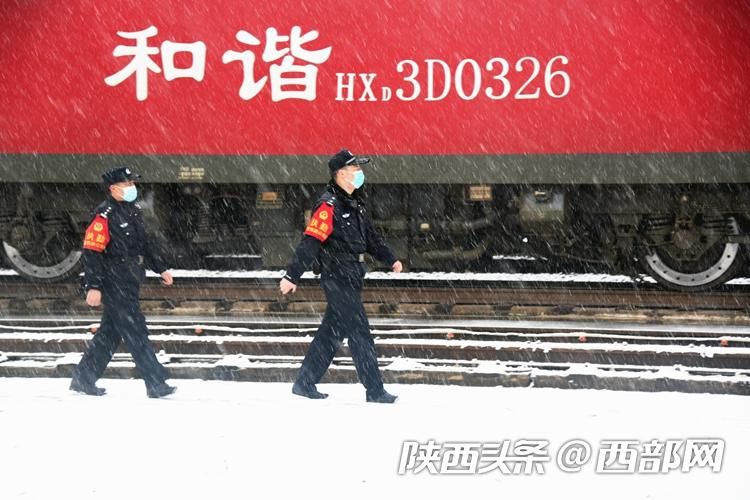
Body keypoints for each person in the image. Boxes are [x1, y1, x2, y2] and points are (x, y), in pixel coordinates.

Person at [280, 149, 403, 403]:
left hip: (352, 275)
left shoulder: (355, 204)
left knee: (332, 331)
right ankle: (375, 390)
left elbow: (371, 239)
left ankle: (304, 383)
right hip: (336, 276)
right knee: (360, 332)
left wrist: (391, 258)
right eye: (355, 169)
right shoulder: (328, 206)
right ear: (341, 174)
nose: (360, 173)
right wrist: (292, 275)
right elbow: (311, 242)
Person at [69, 167, 177, 398]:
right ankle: (155, 383)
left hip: (129, 279)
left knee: (110, 333)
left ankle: (83, 379)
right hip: (113, 282)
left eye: (132, 184)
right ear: (113, 189)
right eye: (127, 184)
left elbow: (144, 244)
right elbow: (92, 253)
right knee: (136, 330)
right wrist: (93, 286)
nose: (132, 188)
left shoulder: (132, 211)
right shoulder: (103, 216)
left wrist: (160, 268)